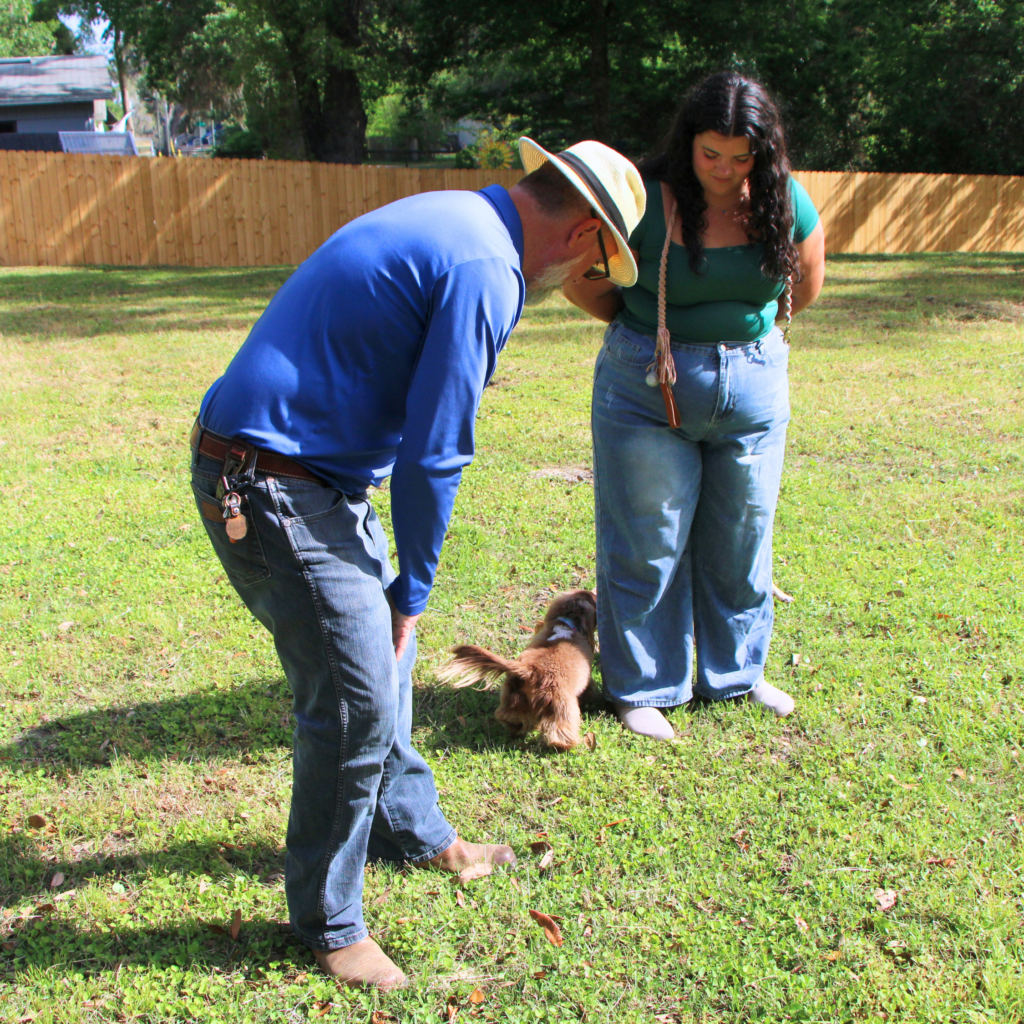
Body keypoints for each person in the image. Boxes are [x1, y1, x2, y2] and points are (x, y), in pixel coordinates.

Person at [189, 138, 646, 988]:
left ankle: (415, 830)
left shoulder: (463, 221)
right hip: (272, 484)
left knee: (384, 676)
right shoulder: (488, 269)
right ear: (585, 234)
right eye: (598, 257)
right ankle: (330, 923)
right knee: (356, 701)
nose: (582, 276)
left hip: (307, 476)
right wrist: (414, 591)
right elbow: (437, 452)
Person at [564, 72, 825, 741]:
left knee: (742, 535)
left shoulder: (784, 199)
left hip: (755, 387)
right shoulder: (646, 202)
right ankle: (644, 686)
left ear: (765, 153)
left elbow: (808, 281)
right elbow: (583, 284)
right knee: (647, 541)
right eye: (713, 154)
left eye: (742, 158)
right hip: (649, 388)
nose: (726, 170)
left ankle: (736, 673)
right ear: (689, 144)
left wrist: (736, 337)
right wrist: (647, 334)